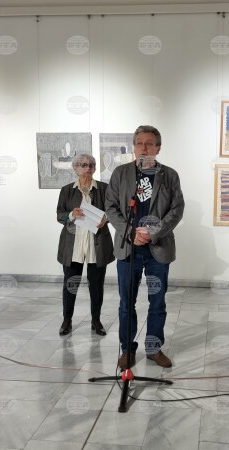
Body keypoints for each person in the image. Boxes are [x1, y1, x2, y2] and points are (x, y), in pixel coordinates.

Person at [105, 125, 185, 369]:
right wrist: (130, 232)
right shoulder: (121, 173)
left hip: (157, 249)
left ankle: (154, 349)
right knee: (126, 303)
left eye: (149, 143)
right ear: (134, 146)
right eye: (139, 142)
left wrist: (153, 233)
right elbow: (111, 207)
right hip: (128, 249)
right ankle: (127, 350)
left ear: (158, 148)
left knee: (157, 302)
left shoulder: (169, 175)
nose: (144, 147)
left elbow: (177, 209)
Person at [56, 154, 114, 336]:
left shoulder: (104, 188)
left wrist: (106, 218)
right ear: (75, 168)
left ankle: (96, 321)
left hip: (97, 245)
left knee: (96, 286)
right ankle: (67, 320)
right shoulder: (67, 190)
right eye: (83, 165)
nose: (87, 168)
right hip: (73, 246)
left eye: (91, 165)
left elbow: (114, 211)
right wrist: (71, 215)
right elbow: (59, 215)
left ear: (95, 168)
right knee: (70, 285)